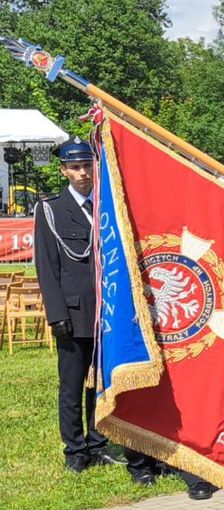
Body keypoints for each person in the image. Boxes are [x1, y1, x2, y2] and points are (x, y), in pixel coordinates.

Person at [34, 137, 125, 474]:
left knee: (98, 383)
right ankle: (74, 449)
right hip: (72, 312)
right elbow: (47, 267)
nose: (84, 173)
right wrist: (57, 314)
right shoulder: (51, 209)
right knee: (72, 384)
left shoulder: (106, 206)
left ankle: (98, 442)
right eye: (76, 167)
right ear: (64, 170)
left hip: (106, 312)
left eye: (88, 165)